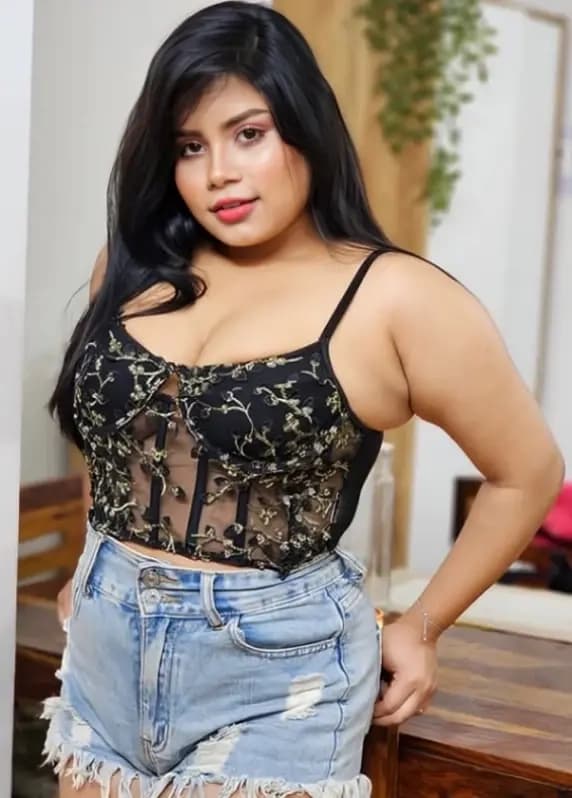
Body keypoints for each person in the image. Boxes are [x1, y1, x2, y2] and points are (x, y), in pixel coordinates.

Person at [43, 2, 564, 797]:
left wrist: (423, 626)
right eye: (190, 146)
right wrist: (96, 562)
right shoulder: (132, 265)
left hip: (277, 679)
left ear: (306, 127)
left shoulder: (395, 297)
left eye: (248, 134)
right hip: (101, 655)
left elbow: (527, 472)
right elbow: (122, 436)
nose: (218, 173)